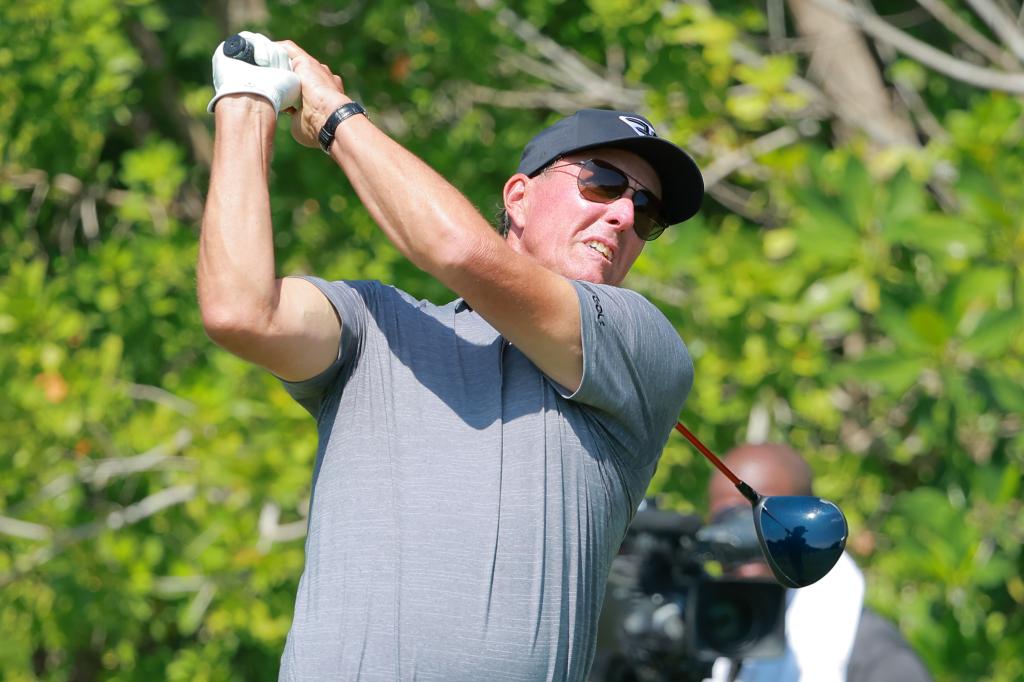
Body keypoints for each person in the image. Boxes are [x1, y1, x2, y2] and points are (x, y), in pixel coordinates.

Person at [198, 32, 703, 680]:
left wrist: (334, 118)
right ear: (518, 197)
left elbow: (459, 253)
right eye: (604, 183)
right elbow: (240, 312)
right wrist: (246, 100)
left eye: (648, 210)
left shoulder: (640, 345)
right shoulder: (375, 325)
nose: (625, 216)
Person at [704, 444, 932, 682]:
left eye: (767, 520)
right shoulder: (712, 639)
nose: (746, 539)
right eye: (727, 520)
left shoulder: (878, 658)